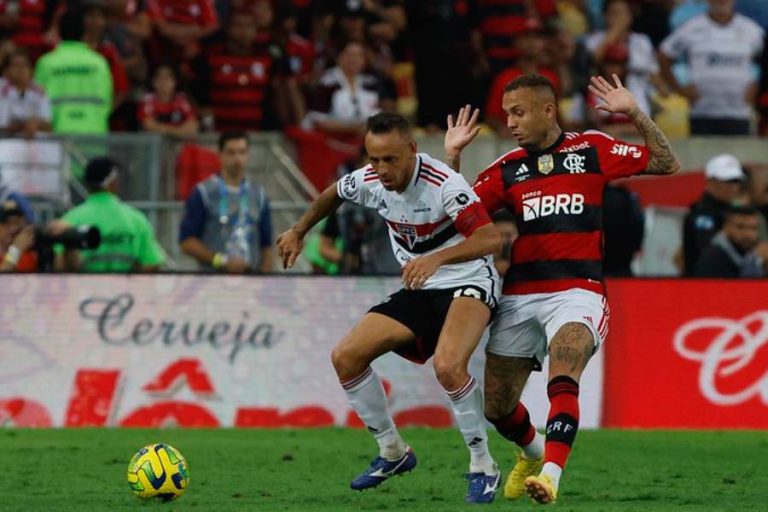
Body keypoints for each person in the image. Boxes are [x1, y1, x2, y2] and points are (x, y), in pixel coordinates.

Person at [444, 73, 680, 504]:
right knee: (496, 406)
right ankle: (532, 452)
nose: (510, 123)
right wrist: (453, 160)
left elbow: (666, 162)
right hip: (520, 293)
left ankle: (550, 475)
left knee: (564, 367)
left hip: (578, 289)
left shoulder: (591, 148)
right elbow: (455, 222)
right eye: (507, 114)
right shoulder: (505, 169)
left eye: (518, 113)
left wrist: (632, 112)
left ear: (547, 110)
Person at [276, 112, 504, 503]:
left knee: (448, 367)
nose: (380, 169)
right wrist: (299, 230)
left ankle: (483, 465)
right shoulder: (369, 179)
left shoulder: (444, 184)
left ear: (412, 150)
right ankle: (393, 452)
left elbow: (490, 238)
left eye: (390, 159)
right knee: (346, 357)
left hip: (468, 280)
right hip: (420, 285)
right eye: (373, 159)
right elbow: (334, 192)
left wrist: (437, 259)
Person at [659, 0, 764, 136]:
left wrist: (757, 87)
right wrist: (680, 90)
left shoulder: (752, 30)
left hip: (739, 114)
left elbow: (764, 61)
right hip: (702, 113)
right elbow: (664, 55)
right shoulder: (691, 28)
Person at [179, 132, 273, 274]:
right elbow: (186, 241)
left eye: (242, 152)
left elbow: (267, 244)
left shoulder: (258, 195)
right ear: (220, 155)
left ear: (248, 155)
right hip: (212, 282)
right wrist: (221, 261)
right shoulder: (204, 193)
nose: (237, 158)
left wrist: (264, 279)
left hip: (250, 283)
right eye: (231, 152)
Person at [54, 156, 165, 273]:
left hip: (84, 289)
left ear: (87, 184)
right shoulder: (136, 219)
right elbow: (152, 263)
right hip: (127, 290)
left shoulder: (70, 219)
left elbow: (59, 264)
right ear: (113, 183)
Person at [34, 7, 113, 135]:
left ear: (59, 31)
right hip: (94, 134)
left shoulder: (46, 63)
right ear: (84, 32)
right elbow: (107, 102)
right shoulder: (99, 63)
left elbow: (35, 101)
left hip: (55, 138)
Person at [682, 153, 746, 275]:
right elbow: (706, 247)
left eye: (736, 181)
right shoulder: (702, 213)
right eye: (728, 181)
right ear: (711, 182)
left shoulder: (735, 209)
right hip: (704, 282)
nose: (734, 187)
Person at [693, 205, 768, 277]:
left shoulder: (757, 252)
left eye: (753, 228)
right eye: (740, 227)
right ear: (726, 227)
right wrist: (752, 262)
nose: (747, 234)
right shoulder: (713, 256)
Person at [0, 50, 52, 137]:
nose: (20, 70)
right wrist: (22, 126)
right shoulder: (2, 89)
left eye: (23, 66)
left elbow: (49, 125)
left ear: (31, 70)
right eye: (15, 66)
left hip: (34, 145)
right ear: (7, 70)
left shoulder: (39, 91)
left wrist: (37, 124)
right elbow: (2, 125)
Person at [0, 198, 36, 272]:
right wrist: (16, 250)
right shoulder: (17, 250)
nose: (13, 229)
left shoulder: (32, 254)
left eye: (17, 223)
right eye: (7, 223)